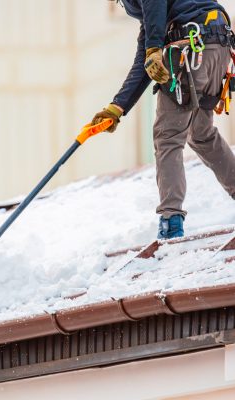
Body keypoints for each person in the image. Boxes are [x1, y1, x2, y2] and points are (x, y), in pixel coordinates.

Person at [92, 0, 235, 239]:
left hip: (190, 48)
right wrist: (117, 107)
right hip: (216, 46)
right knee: (201, 134)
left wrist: (154, 48)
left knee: (168, 136)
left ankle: (171, 221)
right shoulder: (167, 13)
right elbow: (146, 57)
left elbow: (153, 21)